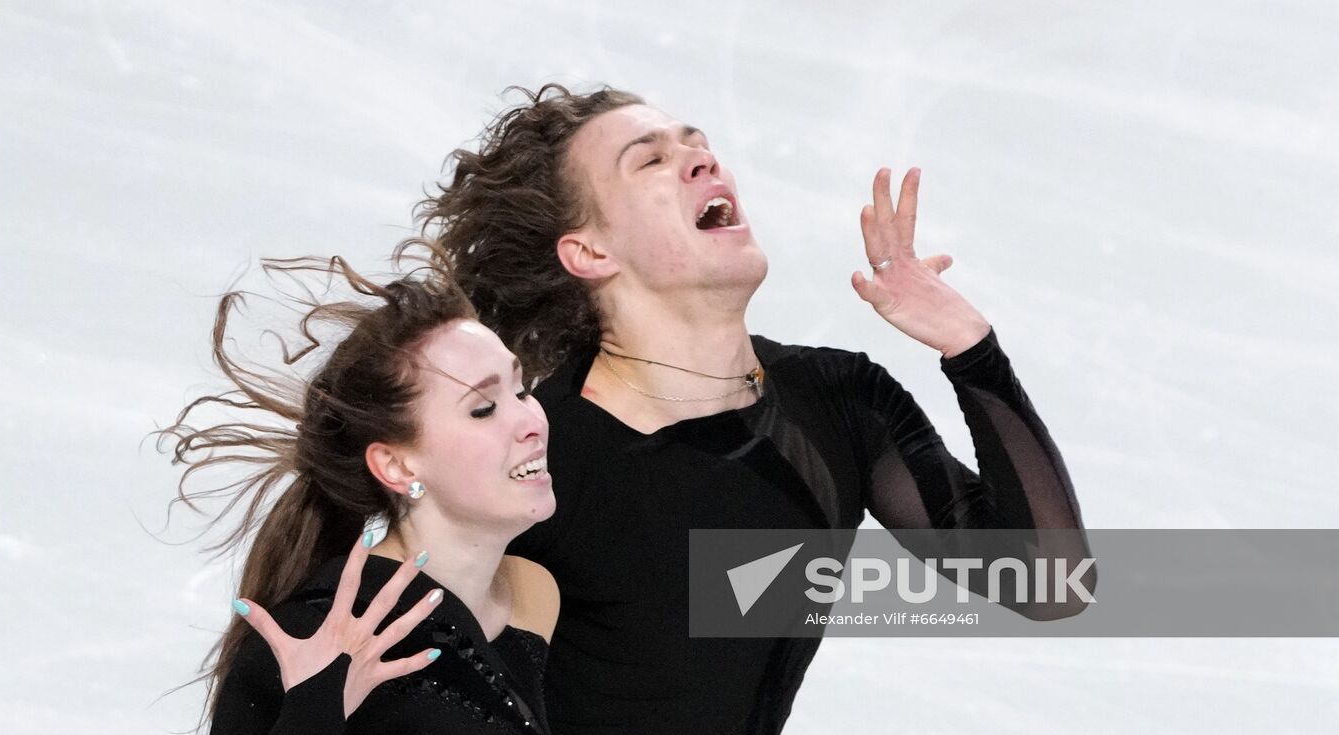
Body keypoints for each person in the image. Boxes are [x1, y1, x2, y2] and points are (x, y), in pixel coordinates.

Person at [406, 85, 1091, 734]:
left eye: (694, 143)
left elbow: (1048, 581)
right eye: (650, 159)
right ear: (589, 251)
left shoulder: (840, 401)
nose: (699, 159)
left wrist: (970, 348)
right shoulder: (540, 458)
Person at [162, 256, 559, 734]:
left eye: (521, 390)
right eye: (483, 409)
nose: (532, 423)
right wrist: (316, 707)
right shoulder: (312, 637)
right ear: (396, 465)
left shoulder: (537, 598)